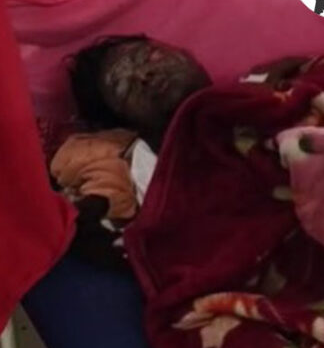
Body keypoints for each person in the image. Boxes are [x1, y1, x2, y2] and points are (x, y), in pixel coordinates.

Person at [53, 35, 212, 268]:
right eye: (125, 88)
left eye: (147, 57)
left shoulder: (263, 85)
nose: (143, 76)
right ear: (124, 121)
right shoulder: (150, 182)